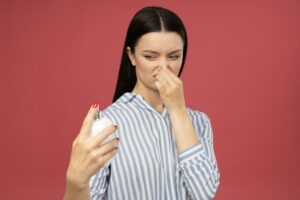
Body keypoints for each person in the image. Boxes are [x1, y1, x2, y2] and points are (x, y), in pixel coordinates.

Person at [64, 6, 220, 200]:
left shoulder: (199, 122)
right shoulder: (107, 124)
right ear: (131, 55)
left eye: (174, 56)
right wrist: (75, 182)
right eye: (150, 56)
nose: (164, 67)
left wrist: (178, 111)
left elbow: (204, 193)